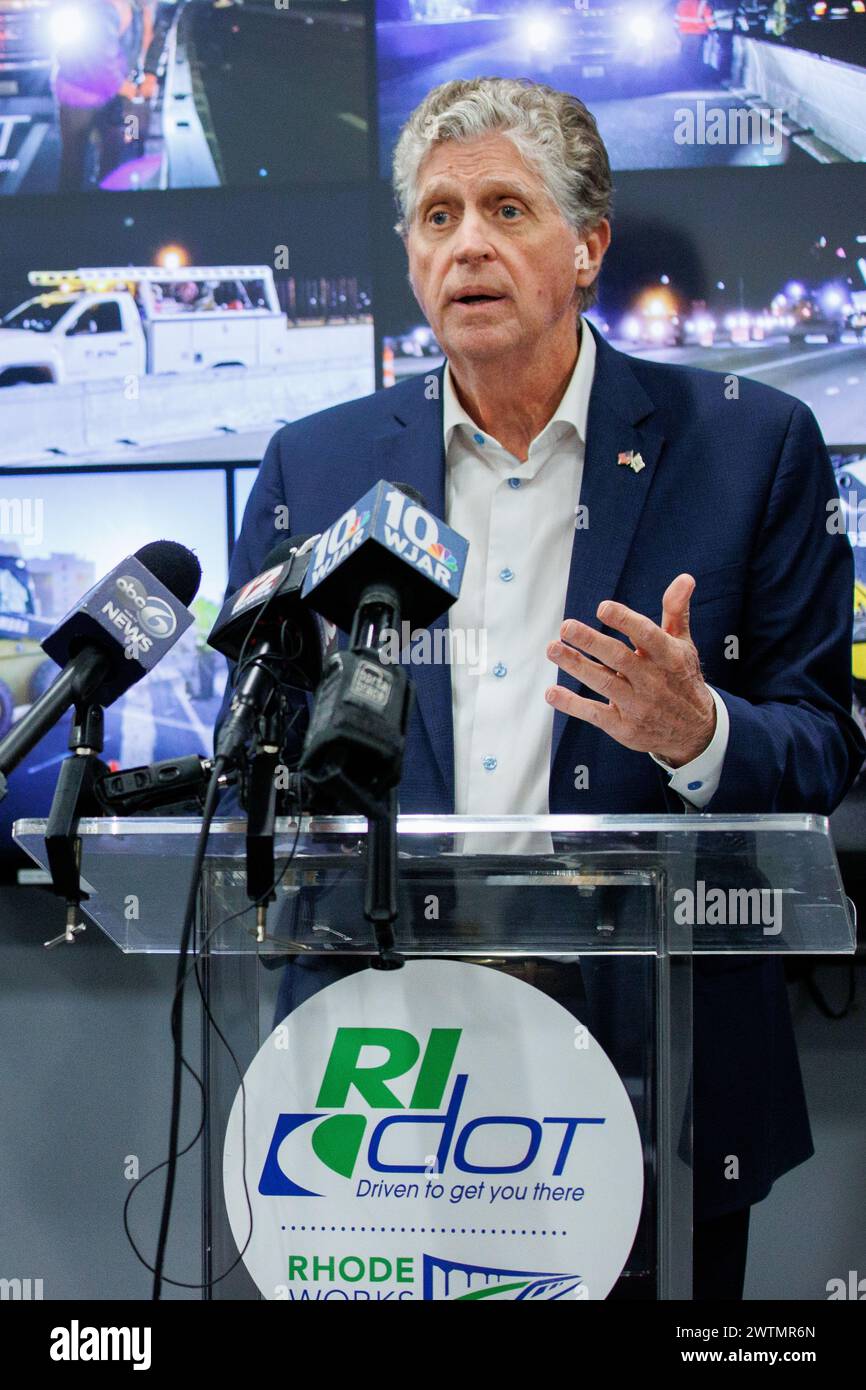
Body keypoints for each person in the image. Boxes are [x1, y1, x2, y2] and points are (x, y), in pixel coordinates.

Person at [220, 77, 863, 1299]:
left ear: (585, 248)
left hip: (648, 1049)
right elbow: (257, 732)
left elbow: (824, 740)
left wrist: (701, 732)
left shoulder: (748, 444)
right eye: (437, 214)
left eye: (506, 209)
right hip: (383, 1061)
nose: (466, 242)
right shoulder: (320, 460)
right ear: (410, 255)